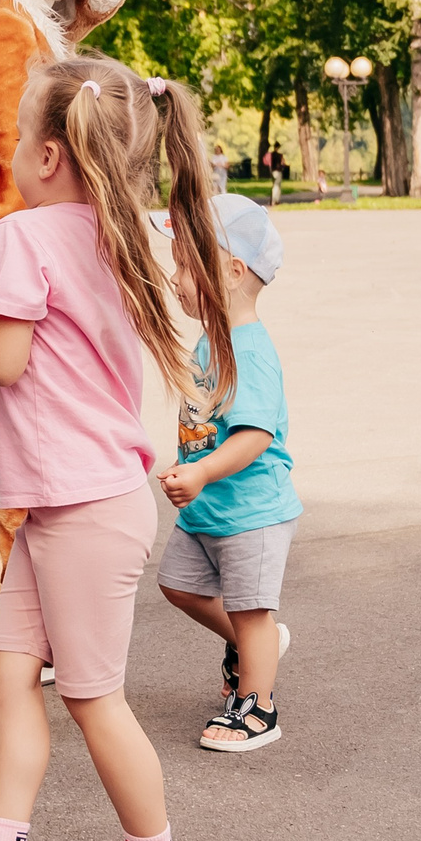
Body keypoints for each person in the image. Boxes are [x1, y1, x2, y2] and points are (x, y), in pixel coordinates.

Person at [0, 58, 224, 841]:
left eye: (14, 142)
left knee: (93, 697)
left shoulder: (28, 237)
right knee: (7, 668)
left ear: (45, 157)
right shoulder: (127, 234)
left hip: (81, 507)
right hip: (77, 505)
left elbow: (3, 357)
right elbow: (47, 328)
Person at [157, 194, 300, 753]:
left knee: (252, 610)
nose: (175, 278)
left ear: (232, 271)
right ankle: (254, 643)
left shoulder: (249, 351)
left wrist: (202, 472)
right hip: (209, 507)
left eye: (185, 265)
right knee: (178, 586)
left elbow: (255, 435)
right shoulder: (212, 340)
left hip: (251, 513)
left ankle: (258, 708)